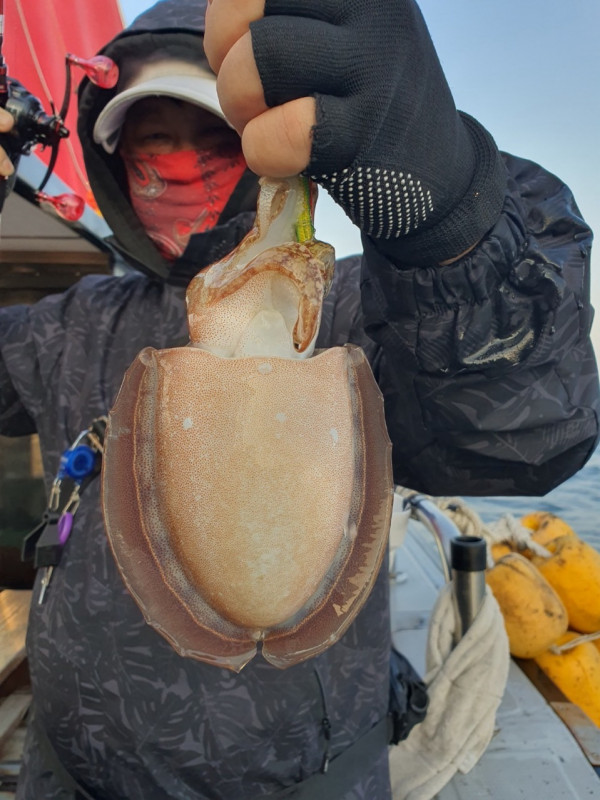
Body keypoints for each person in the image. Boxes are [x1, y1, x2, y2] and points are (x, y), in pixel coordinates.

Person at [0, 0, 598, 797]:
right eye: (154, 139)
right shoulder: (66, 327)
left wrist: (451, 229)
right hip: (70, 772)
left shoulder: (364, 313)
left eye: (212, 136)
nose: (179, 163)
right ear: (119, 164)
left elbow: (522, 433)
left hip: (305, 777)